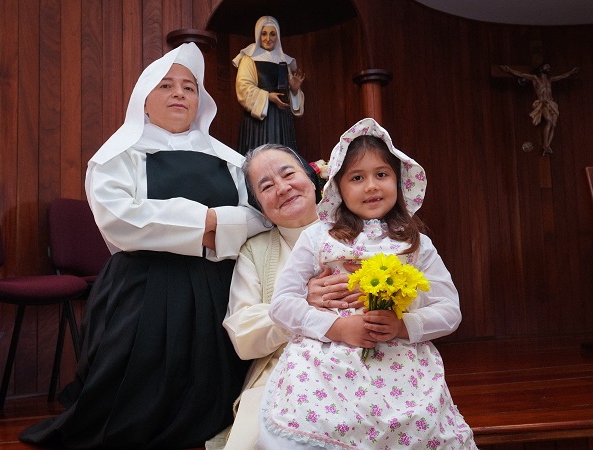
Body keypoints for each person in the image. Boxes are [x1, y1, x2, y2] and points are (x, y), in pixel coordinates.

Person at [19, 43, 269, 449]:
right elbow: (122, 219)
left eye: (189, 88)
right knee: (131, 403)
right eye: (166, 85)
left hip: (217, 284)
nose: (179, 94)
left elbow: (259, 216)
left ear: (200, 101)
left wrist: (212, 225)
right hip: (145, 285)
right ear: (144, 100)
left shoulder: (230, 159)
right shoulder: (118, 155)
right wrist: (209, 222)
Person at [257, 118, 478, 449]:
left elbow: (449, 312)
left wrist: (402, 325)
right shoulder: (317, 237)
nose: (372, 186)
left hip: (401, 365)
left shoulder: (416, 245)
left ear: (399, 181)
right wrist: (338, 328)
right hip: (326, 363)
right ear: (338, 189)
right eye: (357, 178)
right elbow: (282, 305)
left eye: (382, 175)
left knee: (417, 426)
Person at [208, 144, 361, 449]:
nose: (282, 188)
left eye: (288, 173)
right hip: (284, 374)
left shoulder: (360, 230)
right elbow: (242, 334)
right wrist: (300, 305)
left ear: (311, 177)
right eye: (266, 186)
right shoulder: (255, 251)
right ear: (260, 207)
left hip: (365, 361)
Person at [233, 16, 305, 156]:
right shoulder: (249, 58)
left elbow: (289, 95)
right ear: (258, 35)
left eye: (272, 34)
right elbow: (243, 87)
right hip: (259, 120)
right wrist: (267, 97)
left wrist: (294, 91)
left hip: (281, 119)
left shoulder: (284, 60)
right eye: (264, 33)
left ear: (277, 36)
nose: (268, 38)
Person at [500, 63, 578, 155]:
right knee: (549, 121)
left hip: (551, 103)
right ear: (541, 68)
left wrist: (571, 72)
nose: (548, 67)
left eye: (549, 66)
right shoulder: (535, 79)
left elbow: (562, 76)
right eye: (546, 66)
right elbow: (521, 74)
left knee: (554, 124)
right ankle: (545, 144)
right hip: (543, 102)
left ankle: (547, 145)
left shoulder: (550, 79)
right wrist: (509, 70)